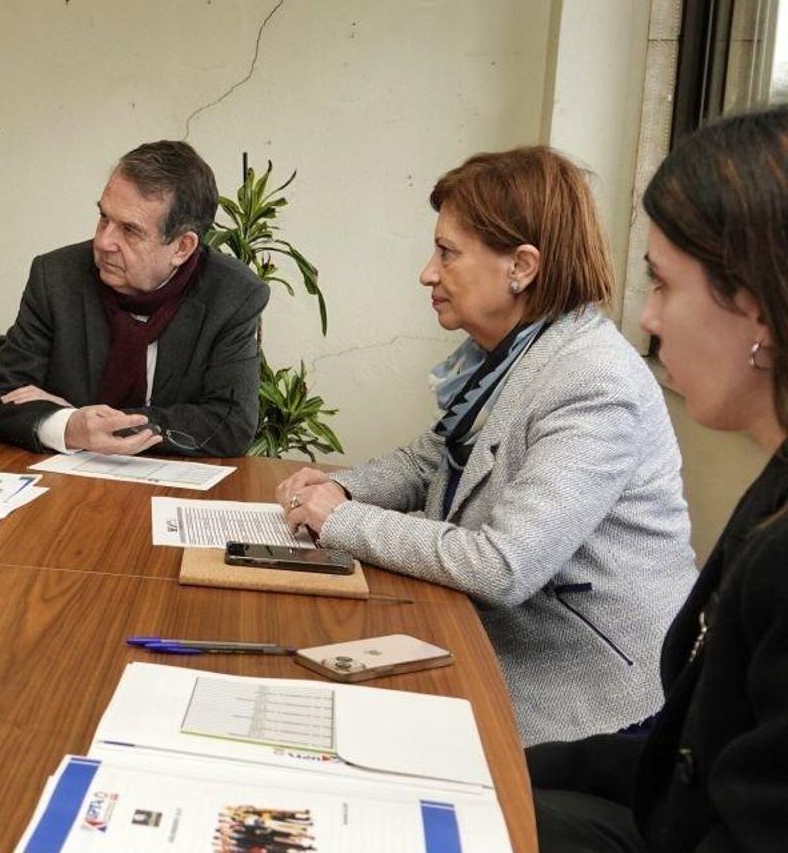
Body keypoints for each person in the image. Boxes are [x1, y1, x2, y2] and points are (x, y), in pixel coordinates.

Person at [276, 147, 695, 745]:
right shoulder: (517, 351)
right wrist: (342, 485)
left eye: (447, 252)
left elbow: (501, 566)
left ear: (521, 266)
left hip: (589, 701)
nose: (427, 272)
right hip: (497, 643)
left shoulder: (593, 381)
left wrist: (340, 519)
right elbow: (435, 456)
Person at [528, 105, 788, 851]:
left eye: (665, 285)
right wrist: (510, 767)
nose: (649, 318)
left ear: (760, 303)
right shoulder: (775, 482)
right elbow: (694, 754)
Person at [0, 140, 268, 458]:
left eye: (129, 230)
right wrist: (71, 427)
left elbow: (230, 424)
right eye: (104, 218)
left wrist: (96, 422)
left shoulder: (232, 295)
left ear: (182, 247)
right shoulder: (57, 277)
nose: (103, 241)